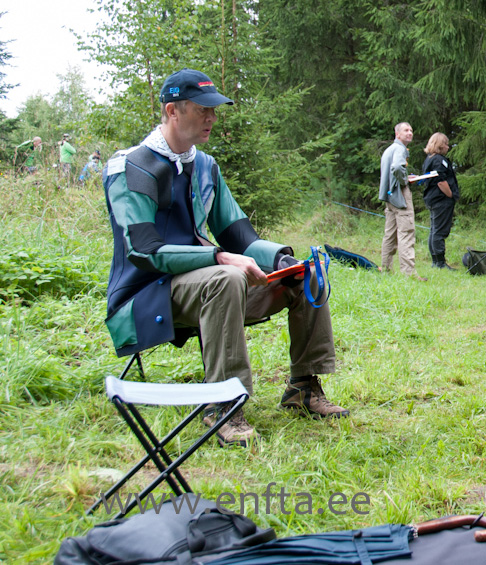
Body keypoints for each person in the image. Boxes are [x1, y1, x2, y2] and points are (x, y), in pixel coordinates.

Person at [103, 69, 348, 447]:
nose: (212, 118)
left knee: (307, 275)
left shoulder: (205, 166)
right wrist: (218, 257)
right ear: (172, 111)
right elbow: (144, 251)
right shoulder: (130, 167)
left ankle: (303, 388)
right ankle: (223, 406)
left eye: (214, 110)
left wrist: (282, 260)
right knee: (227, 277)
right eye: (202, 109)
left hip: (208, 287)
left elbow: (239, 235)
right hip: (145, 296)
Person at [379, 122, 426, 280]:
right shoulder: (400, 149)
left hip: (388, 196)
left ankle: (385, 268)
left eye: (411, 130)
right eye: (406, 130)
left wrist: (404, 177)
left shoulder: (389, 149)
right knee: (406, 232)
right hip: (399, 194)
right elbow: (398, 168)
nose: (410, 133)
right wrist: (405, 180)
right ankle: (409, 273)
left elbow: (393, 170)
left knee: (389, 234)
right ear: (397, 133)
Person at [420, 132, 459, 269]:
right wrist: (450, 195)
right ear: (440, 145)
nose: (448, 147)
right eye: (446, 144)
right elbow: (440, 181)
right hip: (440, 199)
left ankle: (435, 261)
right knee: (439, 231)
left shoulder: (429, 159)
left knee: (434, 229)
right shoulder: (438, 160)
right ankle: (440, 262)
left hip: (433, 198)